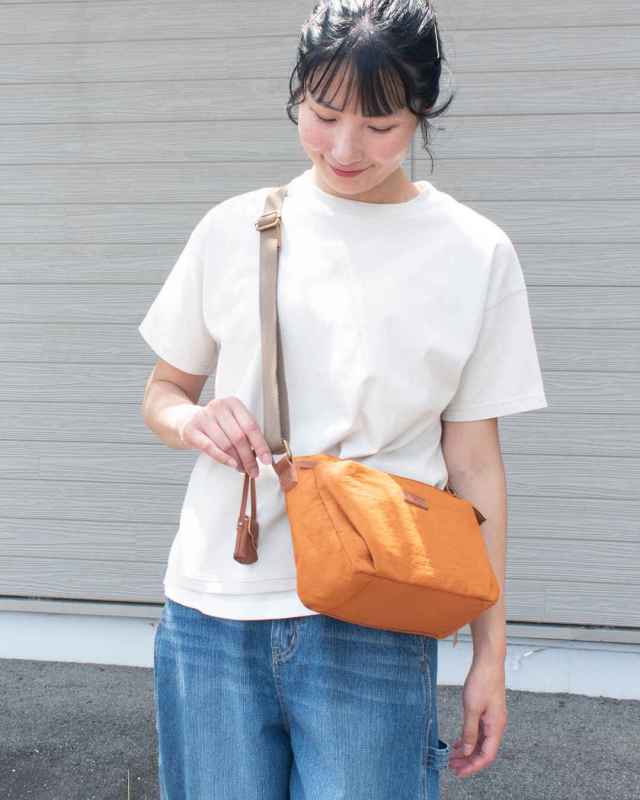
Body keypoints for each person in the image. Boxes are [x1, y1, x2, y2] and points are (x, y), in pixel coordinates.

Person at [139, 1, 548, 797]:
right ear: (297, 96)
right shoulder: (235, 228)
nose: (345, 149)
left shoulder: (475, 253)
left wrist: (490, 656)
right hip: (213, 609)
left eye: (380, 126)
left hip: (379, 614)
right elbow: (163, 392)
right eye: (323, 116)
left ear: (421, 113)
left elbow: (476, 467)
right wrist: (194, 421)